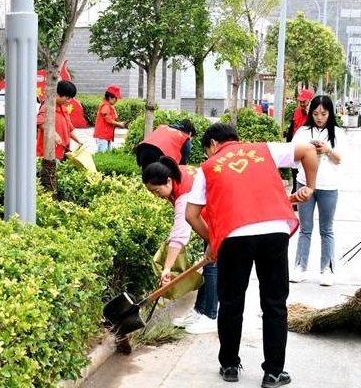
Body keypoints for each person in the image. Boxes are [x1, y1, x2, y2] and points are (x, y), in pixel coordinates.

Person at [185, 123, 318, 388]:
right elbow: (309, 151)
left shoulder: (208, 167)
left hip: (234, 236)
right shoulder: (263, 150)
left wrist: (213, 240)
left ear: (213, 144)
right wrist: (311, 187)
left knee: (231, 302)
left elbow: (191, 215)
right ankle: (274, 373)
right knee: (274, 303)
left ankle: (229, 365)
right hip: (274, 231)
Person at [142, 156, 218, 335]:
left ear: (168, 180)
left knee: (212, 265)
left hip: (221, 218)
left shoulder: (184, 194)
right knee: (208, 262)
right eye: (152, 193)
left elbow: (180, 234)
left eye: (156, 190)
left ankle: (211, 316)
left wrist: (167, 268)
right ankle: (200, 311)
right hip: (210, 219)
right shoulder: (176, 174)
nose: (156, 196)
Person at [290, 95, 345, 286]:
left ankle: (327, 269)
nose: (319, 117)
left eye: (323, 113)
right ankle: (300, 267)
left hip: (328, 186)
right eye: (315, 114)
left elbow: (340, 159)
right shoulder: (303, 132)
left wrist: (327, 150)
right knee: (305, 228)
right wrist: (309, 151)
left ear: (330, 113)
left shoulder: (337, 133)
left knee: (326, 229)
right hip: (305, 184)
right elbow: (292, 155)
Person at [36, 80, 81, 161]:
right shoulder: (47, 107)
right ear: (57, 94)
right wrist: (55, 134)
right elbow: (40, 123)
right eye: (67, 98)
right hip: (49, 154)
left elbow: (69, 129)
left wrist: (79, 141)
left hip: (63, 151)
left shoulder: (63, 108)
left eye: (70, 98)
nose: (69, 101)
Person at [93, 85, 126, 152]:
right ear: (110, 97)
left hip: (107, 135)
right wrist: (119, 124)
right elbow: (108, 119)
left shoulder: (110, 106)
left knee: (107, 154)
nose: (116, 100)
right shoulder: (106, 106)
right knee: (103, 154)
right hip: (102, 135)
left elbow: (116, 117)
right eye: (115, 98)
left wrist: (113, 108)